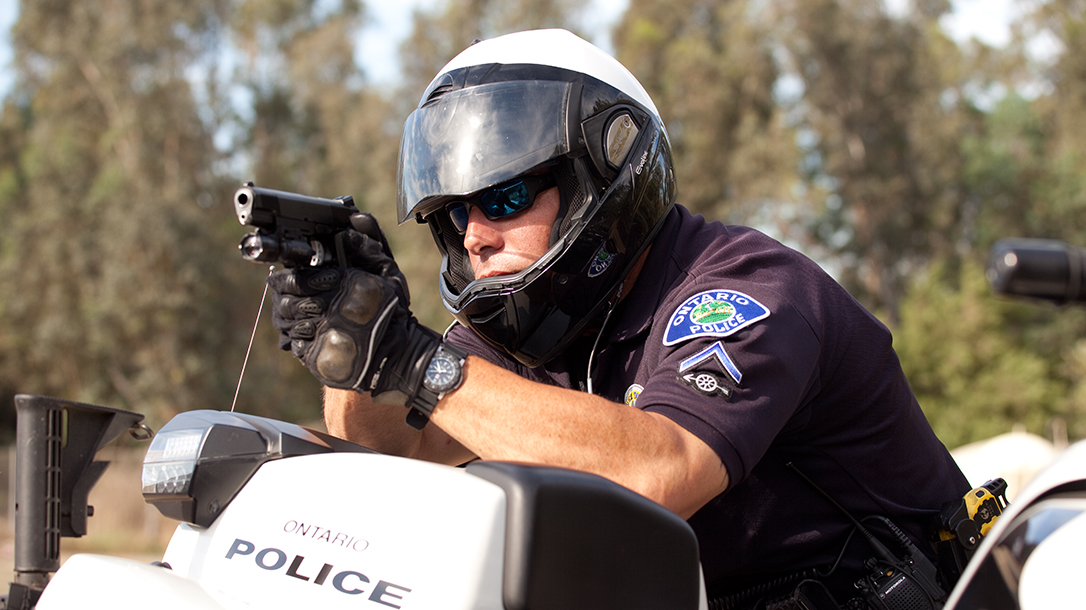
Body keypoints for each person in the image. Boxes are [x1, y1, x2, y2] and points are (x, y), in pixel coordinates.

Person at [268, 29, 970, 607]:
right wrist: (356, 349)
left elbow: (659, 474)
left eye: (506, 197)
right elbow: (400, 454)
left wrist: (420, 363)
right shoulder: (521, 331)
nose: (476, 235)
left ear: (598, 177)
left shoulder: (745, 290)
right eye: (457, 214)